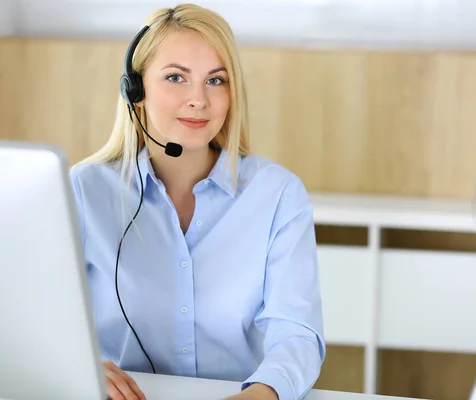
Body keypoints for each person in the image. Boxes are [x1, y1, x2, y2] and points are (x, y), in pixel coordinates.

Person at [69, 3, 325, 400]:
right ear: (135, 90)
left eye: (216, 81)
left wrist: (262, 393)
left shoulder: (277, 194)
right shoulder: (85, 191)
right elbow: (37, 318)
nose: (199, 100)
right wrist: (78, 365)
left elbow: (296, 332)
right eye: (176, 77)